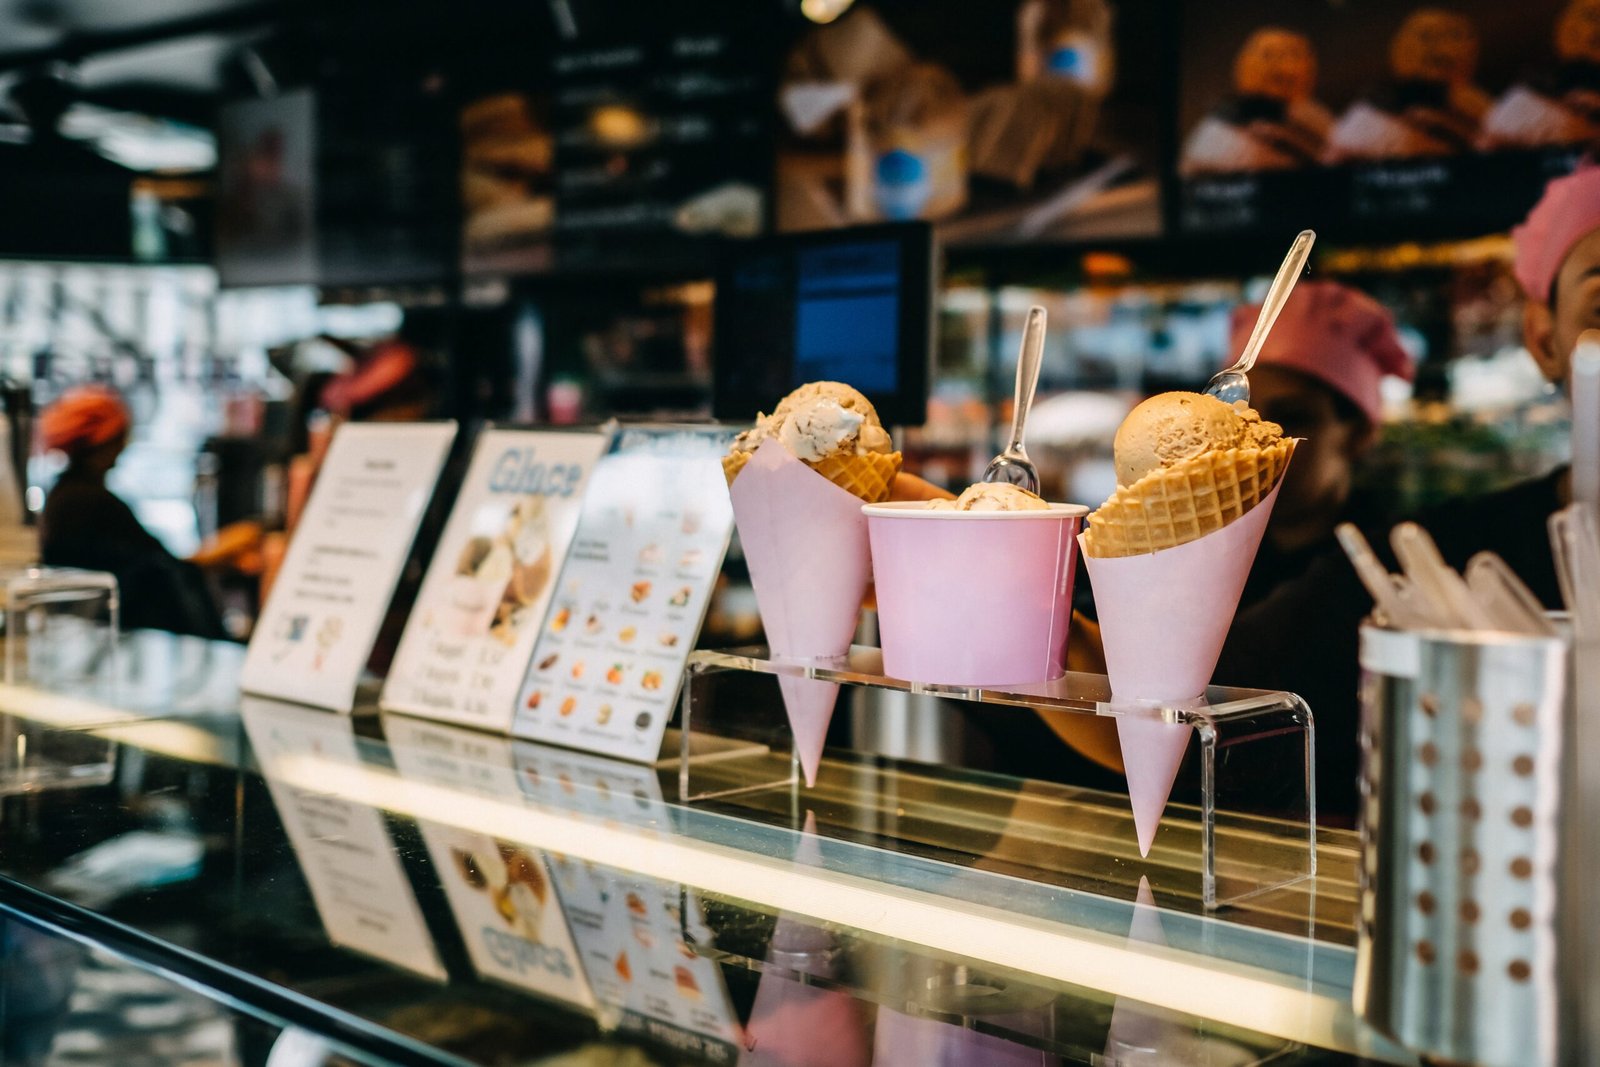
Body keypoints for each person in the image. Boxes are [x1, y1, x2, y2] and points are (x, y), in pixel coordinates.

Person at [38, 385, 226, 639]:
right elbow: (158, 566)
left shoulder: (64, 495)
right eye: (120, 437)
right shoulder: (88, 501)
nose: (124, 446)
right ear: (103, 441)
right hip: (113, 633)